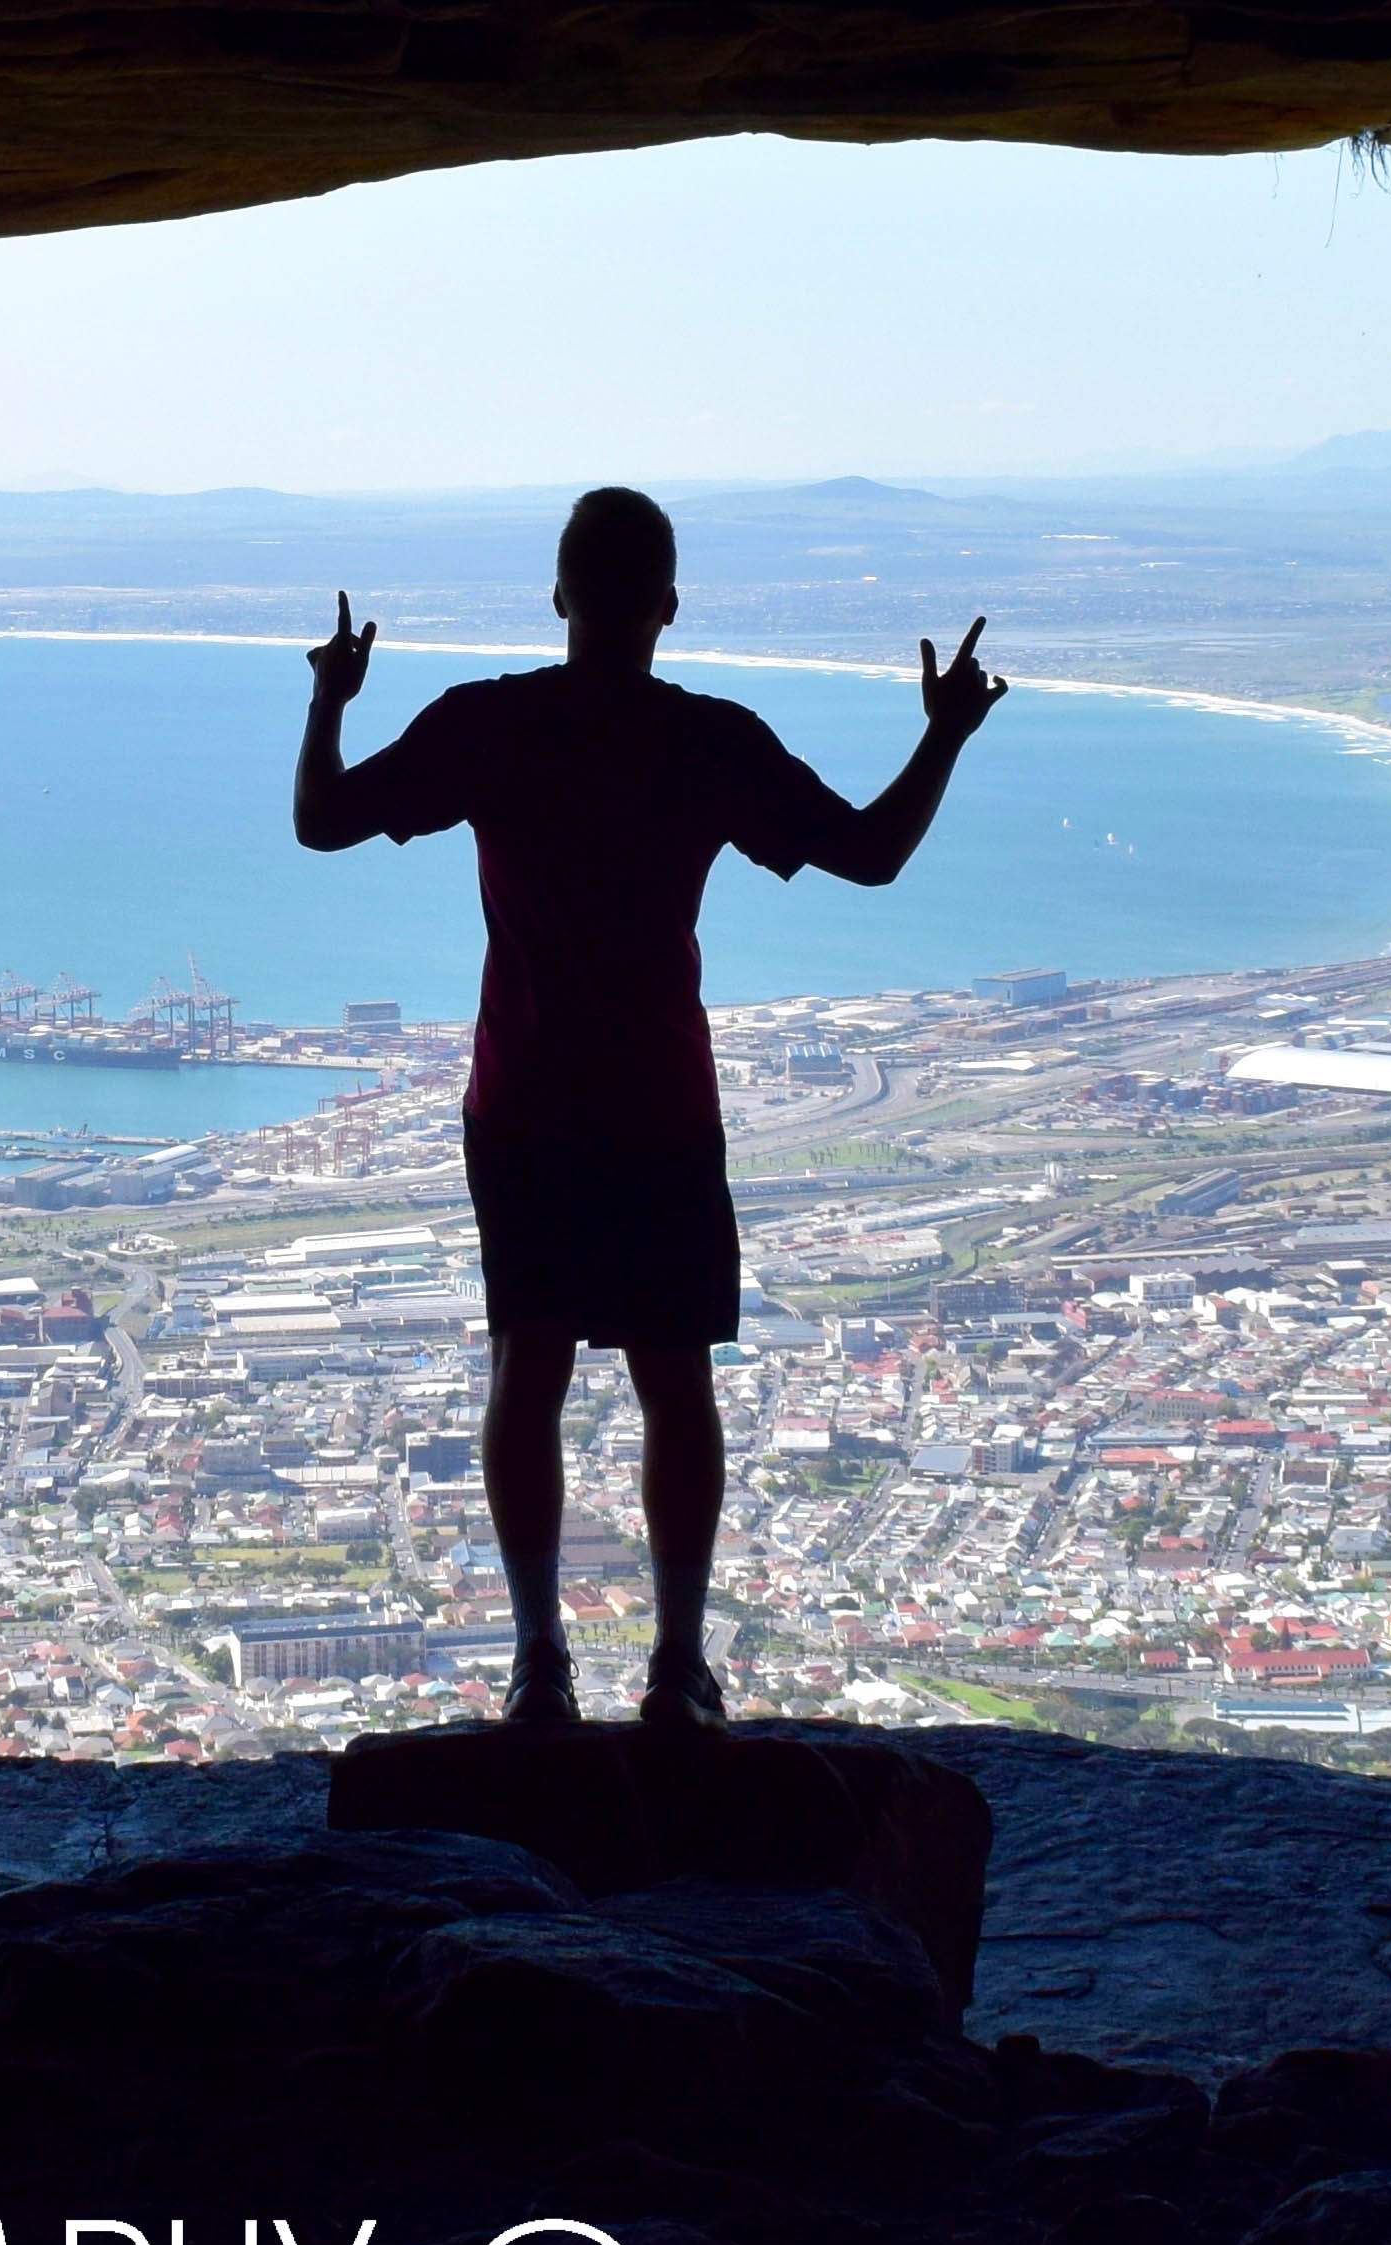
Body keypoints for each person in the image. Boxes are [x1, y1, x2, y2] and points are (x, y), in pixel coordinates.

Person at [293, 486, 1006, 1735]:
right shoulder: (710, 741)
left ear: (559, 596)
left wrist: (330, 699)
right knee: (675, 1381)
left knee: (529, 1368)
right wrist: (944, 733)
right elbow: (873, 852)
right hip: (661, 1106)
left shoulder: (491, 725)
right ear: (669, 606)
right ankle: (679, 1667)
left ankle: (536, 1665)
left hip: (523, 1103)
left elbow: (320, 821)